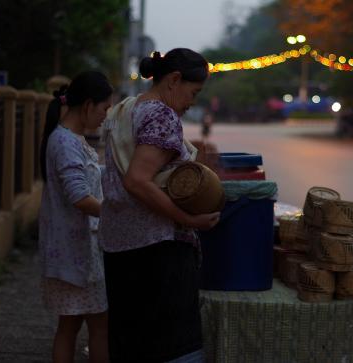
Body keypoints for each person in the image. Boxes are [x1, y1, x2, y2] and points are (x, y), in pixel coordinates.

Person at [99, 48, 220, 362]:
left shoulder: (125, 109)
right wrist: (190, 221)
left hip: (118, 244)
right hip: (156, 250)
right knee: (170, 347)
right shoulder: (161, 114)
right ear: (174, 79)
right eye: (193, 92)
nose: (192, 101)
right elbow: (137, 181)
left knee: (130, 343)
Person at [39, 71, 113, 363]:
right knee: (99, 327)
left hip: (73, 253)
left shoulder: (69, 139)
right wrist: (117, 215)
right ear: (88, 105)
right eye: (104, 109)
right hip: (77, 255)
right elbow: (80, 197)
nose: (105, 116)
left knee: (69, 326)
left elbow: (86, 181)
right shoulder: (67, 143)